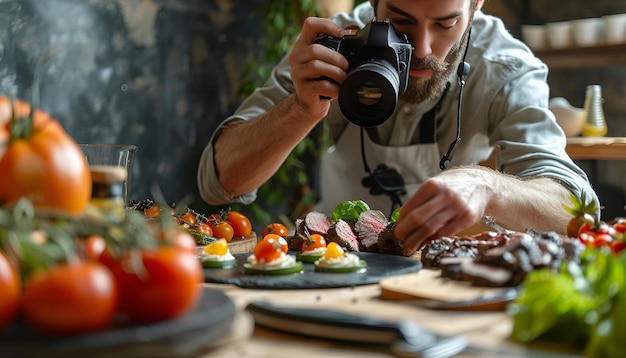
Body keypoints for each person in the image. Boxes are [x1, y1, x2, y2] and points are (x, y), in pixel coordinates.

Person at [198, 0, 599, 253]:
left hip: (441, 285)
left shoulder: (506, 68)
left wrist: (486, 185)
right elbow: (218, 184)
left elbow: (576, 211)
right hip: (337, 266)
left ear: (477, 4)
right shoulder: (338, 45)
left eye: (446, 24)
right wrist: (300, 109)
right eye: (401, 22)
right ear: (374, 3)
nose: (423, 50)